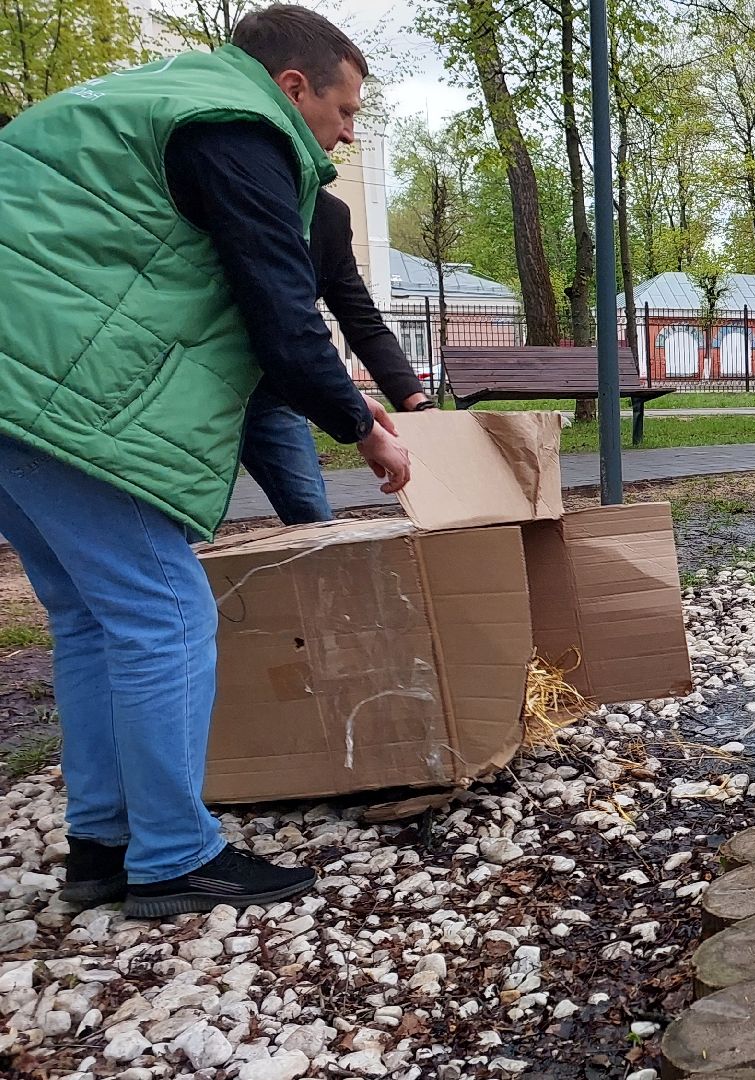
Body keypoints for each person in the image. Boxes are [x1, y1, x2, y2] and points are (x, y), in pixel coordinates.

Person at [0, 4, 411, 916]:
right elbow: (277, 298)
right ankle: (176, 855)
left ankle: (102, 844)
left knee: (91, 620)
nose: (345, 136)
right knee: (163, 610)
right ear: (293, 84)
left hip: (15, 384)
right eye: (344, 112)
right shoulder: (235, 122)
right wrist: (361, 423)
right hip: (49, 389)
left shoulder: (145, 100)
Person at [243, 188, 434, 524]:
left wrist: (418, 403)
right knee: (184, 527)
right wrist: (358, 419)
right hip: (206, 384)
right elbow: (285, 324)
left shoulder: (329, 216)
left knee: (313, 516)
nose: (348, 134)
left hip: (274, 390)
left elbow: (363, 321)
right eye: (343, 128)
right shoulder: (249, 193)